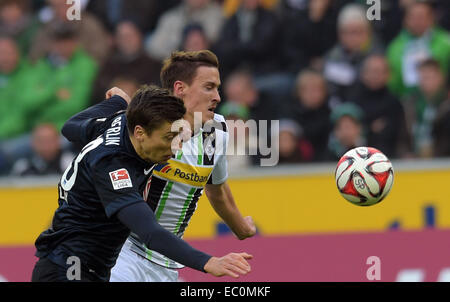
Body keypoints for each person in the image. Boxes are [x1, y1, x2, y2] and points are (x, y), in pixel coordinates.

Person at [32, 85, 253, 282]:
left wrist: (117, 103)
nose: (176, 148)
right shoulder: (113, 166)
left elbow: (71, 126)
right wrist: (208, 262)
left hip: (89, 269)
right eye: (168, 138)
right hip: (69, 269)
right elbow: (150, 233)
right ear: (140, 133)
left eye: (179, 137)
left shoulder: (121, 120)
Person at [110, 50, 256, 282]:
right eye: (208, 87)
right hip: (122, 255)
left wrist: (241, 228)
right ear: (180, 89)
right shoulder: (146, 125)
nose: (218, 96)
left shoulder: (216, 131)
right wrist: (120, 108)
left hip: (167, 264)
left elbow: (216, 189)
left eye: (218, 88)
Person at [387, 1, 450, 97]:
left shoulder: (446, 43)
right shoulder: (395, 47)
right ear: (405, 20)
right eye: (413, 17)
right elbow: (392, 81)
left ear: (432, 18)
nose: (418, 21)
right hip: (407, 100)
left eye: (422, 17)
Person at [10, 123, 74, 176]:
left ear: (58, 141)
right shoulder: (23, 166)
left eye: (50, 140)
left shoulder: (71, 163)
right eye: (41, 141)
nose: (46, 145)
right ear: (33, 143)